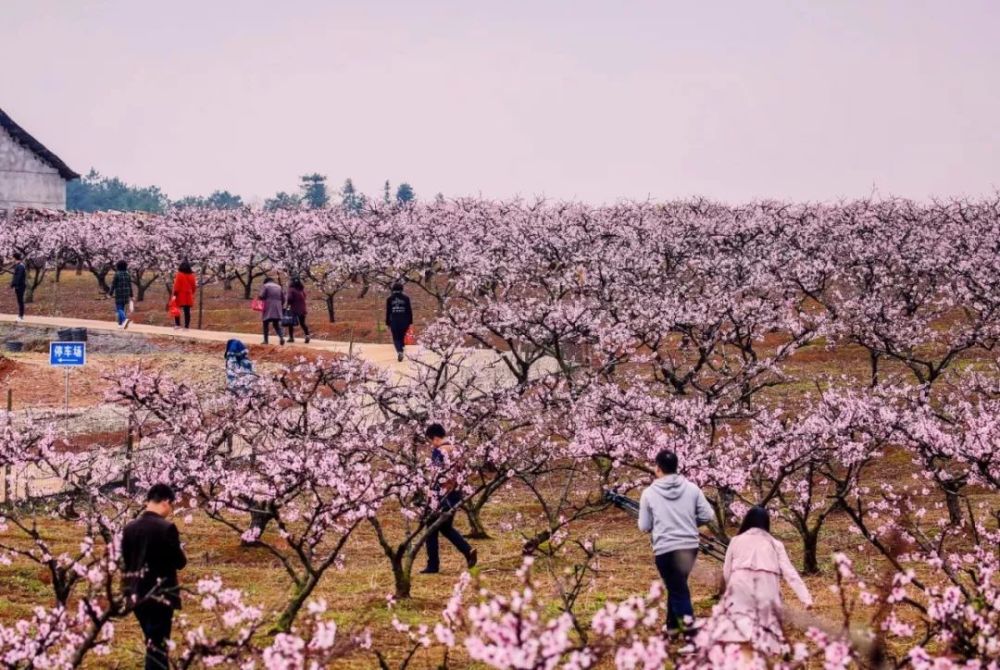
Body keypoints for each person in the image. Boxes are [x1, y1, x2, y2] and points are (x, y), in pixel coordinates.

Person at [712, 506, 813, 652]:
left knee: (737, 626)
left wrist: (728, 589)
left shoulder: (735, 541)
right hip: (766, 585)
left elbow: (726, 570)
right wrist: (806, 598)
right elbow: (790, 573)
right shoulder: (775, 544)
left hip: (740, 583)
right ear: (766, 523)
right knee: (767, 628)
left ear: (746, 521)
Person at [638, 449, 716, 633]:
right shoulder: (692, 488)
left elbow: (644, 526)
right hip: (689, 546)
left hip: (666, 549)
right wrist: (689, 523)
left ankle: (692, 637)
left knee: (679, 590)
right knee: (677, 584)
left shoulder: (649, 494)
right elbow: (708, 514)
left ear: (657, 469)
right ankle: (672, 627)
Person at [121, 483, 187, 670]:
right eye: (171, 504)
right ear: (166, 501)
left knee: (153, 641)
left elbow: (126, 562)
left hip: (136, 595)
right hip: (160, 595)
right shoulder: (166, 528)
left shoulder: (129, 528)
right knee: (158, 646)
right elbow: (180, 562)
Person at [421, 423, 477, 574]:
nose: (431, 444)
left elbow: (436, 475)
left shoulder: (439, 452)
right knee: (445, 528)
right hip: (456, 493)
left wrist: (430, 494)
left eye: (431, 440)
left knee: (431, 529)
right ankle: (468, 551)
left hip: (441, 495)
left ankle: (433, 565)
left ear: (436, 438)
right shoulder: (456, 450)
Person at [385, 282, 413, 362]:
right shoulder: (406, 298)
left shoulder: (389, 299)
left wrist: (387, 322)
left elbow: (388, 312)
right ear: (402, 289)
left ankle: (400, 351)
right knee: (401, 337)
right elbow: (409, 311)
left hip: (394, 321)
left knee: (395, 338)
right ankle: (401, 350)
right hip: (405, 321)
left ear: (393, 289)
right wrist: (410, 322)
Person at [258, 277, 285, 345]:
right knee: (276, 324)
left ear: (266, 281)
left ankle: (266, 340)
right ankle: (281, 337)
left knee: (265, 324)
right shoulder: (279, 287)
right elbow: (283, 298)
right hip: (277, 307)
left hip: (268, 306)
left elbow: (261, 296)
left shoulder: (266, 286)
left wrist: (259, 298)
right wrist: (280, 305)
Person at [172, 261, 197, 330]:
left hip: (179, 295)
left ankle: (177, 325)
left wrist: (174, 294)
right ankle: (186, 326)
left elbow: (177, 286)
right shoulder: (192, 275)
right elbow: (194, 286)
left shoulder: (179, 274)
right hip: (188, 295)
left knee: (176, 309)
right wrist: (192, 293)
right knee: (187, 311)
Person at [109, 260, 133, 329]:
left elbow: (113, 285)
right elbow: (130, 285)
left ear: (118, 266)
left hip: (119, 294)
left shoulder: (117, 274)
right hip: (126, 294)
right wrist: (131, 295)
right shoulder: (128, 274)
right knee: (122, 309)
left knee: (119, 309)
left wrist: (110, 294)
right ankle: (120, 324)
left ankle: (125, 320)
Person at [285, 277, 310, 344]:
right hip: (302, 308)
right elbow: (304, 297)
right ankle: (307, 335)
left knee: (290, 323)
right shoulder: (301, 290)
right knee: (302, 323)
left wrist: (288, 305)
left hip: (294, 309)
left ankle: (291, 338)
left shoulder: (291, 289)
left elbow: (290, 298)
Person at [10, 252, 26, 321]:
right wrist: (13, 284)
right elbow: (16, 276)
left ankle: (21, 316)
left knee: (20, 301)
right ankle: (20, 315)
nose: (11, 259)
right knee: (19, 301)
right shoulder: (19, 265)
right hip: (19, 286)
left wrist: (14, 284)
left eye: (12, 258)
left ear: (15, 258)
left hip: (20, 286)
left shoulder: (20, 266)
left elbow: (18, 277)